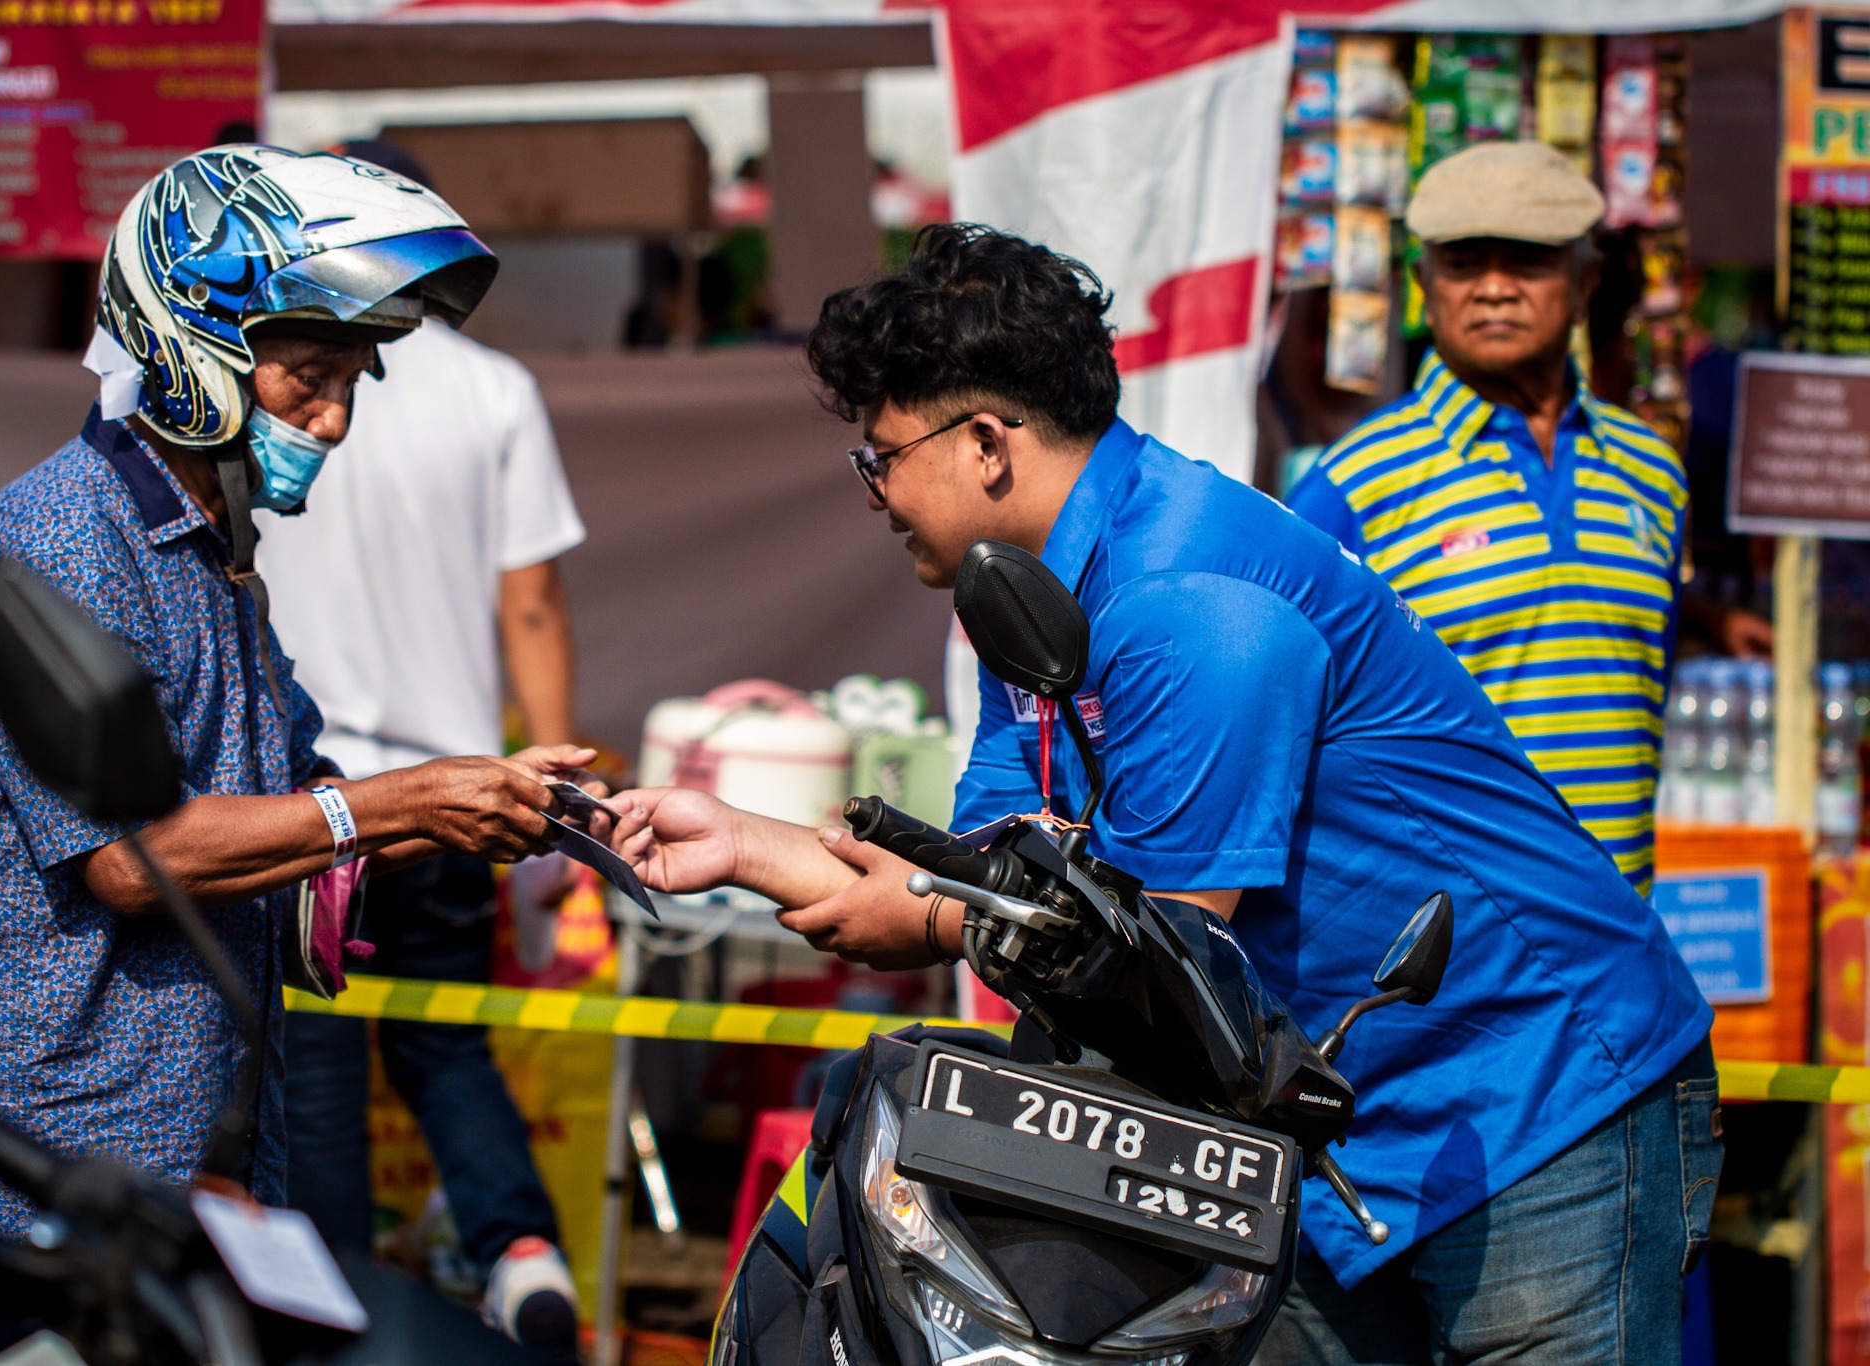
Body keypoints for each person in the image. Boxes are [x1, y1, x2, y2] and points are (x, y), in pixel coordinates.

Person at [609, 223, 1720, 1364]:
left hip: (1526, 1101)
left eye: (880, 457)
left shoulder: (1191, 605)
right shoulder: (1022, 596)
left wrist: (928, 923)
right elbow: (991, 878)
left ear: (984, 442)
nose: (874, 493)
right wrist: (744, 843)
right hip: (1310, 1124)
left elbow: (1153, 974)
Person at [0, 146, 602, 1249]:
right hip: (53, 1157)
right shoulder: (59, 540)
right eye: (305, 378)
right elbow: (132, 857)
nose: (331, 421)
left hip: (193, 1148)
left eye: (347, 385)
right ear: (197, 353)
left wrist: (498, 806)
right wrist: (397, 805)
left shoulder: (215, 556)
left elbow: (292, 789)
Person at [253, 139, 586, 1350]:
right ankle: (521, 1250)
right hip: (458, 787)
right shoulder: (493, 388)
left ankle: (337, 1306)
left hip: (312, 795)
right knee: (449, 1047)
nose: (336, 408)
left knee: (322, 1066)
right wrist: (553, 792)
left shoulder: (259, 370)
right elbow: (532, 604)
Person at [1286, 141, 1766, 895]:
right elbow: (1288, 711)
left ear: (1586, 283)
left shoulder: (1652, 471)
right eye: (1465, 262)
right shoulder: (1357, 478)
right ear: (1424, 283)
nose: (1495, 288)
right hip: (1446, 949)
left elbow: (1641, 674)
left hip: (1622, 928)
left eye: (1529, 260)